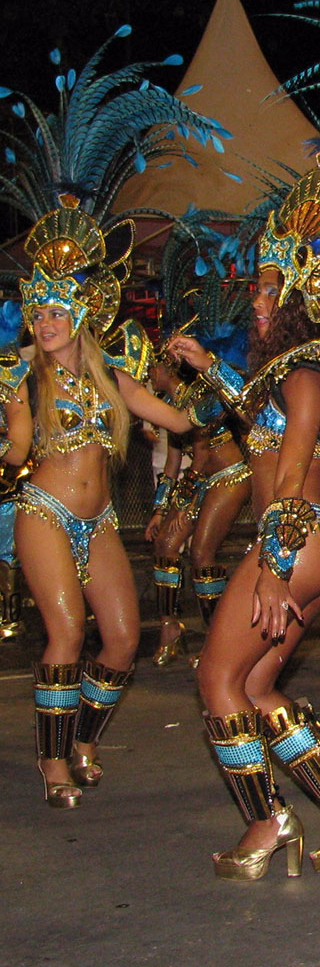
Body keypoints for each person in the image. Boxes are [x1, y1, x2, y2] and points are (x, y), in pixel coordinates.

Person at [166, 157, 320, 880]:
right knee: (256, 688)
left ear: (295, 296)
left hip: (296, 537)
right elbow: (266, 423)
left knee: (216, 682)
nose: (255, 299)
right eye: (254, 285)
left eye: (267, 287)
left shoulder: (305, 370)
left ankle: (266, 822)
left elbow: (287, 474)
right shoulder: (296, 374)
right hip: (317, 542)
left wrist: (272, 566)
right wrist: (209, 369)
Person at [4, 206, 197, 808]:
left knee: (119, 641)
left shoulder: (111, 378)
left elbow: (183, 421)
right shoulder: (19, 380)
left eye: (57, 312)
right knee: (65, 634)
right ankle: (53, 758)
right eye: (38, 314)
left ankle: (83, 738)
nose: (46, 323)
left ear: (80, 315)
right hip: (44, 512)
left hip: (100, 521)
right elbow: (14, 450)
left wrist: (210, 371)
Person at [144, 354, 249, 665]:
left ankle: (218, 641)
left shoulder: (199, 397)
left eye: (154, 366)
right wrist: (160, 510)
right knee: (165, 544)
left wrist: (184, 506)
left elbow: (201, 456)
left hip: (229, 476)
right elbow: (174, 463)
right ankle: (170, 628)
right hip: (201, 479)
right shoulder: (168, 405)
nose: (150, 372)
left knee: (202, 554)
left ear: (168, 368)